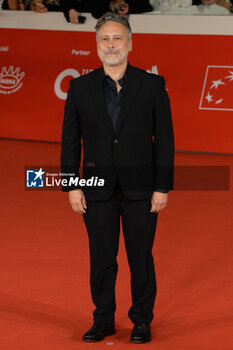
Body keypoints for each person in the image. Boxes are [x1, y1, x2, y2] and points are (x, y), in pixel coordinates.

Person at [60, 12, 174, 343]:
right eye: (105, 39)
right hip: (96, 190)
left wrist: (162, 187)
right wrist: (71, 184)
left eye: (117, 38)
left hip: (141, 190)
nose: (111, 45)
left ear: (130, 43)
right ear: (97, 46)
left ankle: (141, 320)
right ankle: (103, 318)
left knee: (141, 258)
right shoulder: (79, 88)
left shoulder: (152, 85)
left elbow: (165, 141)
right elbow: (70, 141)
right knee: (101, 259)